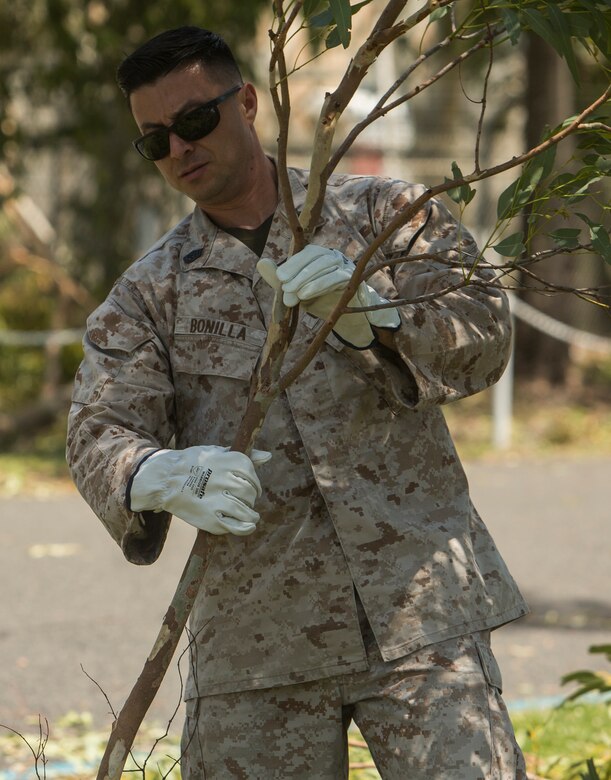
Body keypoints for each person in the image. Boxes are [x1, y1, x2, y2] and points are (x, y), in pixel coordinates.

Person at [66, 25, 529, 779]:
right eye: (155, 141)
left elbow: (483, 330)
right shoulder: (149, 292)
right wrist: (152, 473)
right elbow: (99, 427)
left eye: (193, 121)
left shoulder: (384, 217)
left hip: (419, 610)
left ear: (246, 101)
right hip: (257, 641)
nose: (180, 149)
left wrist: (379, 319)